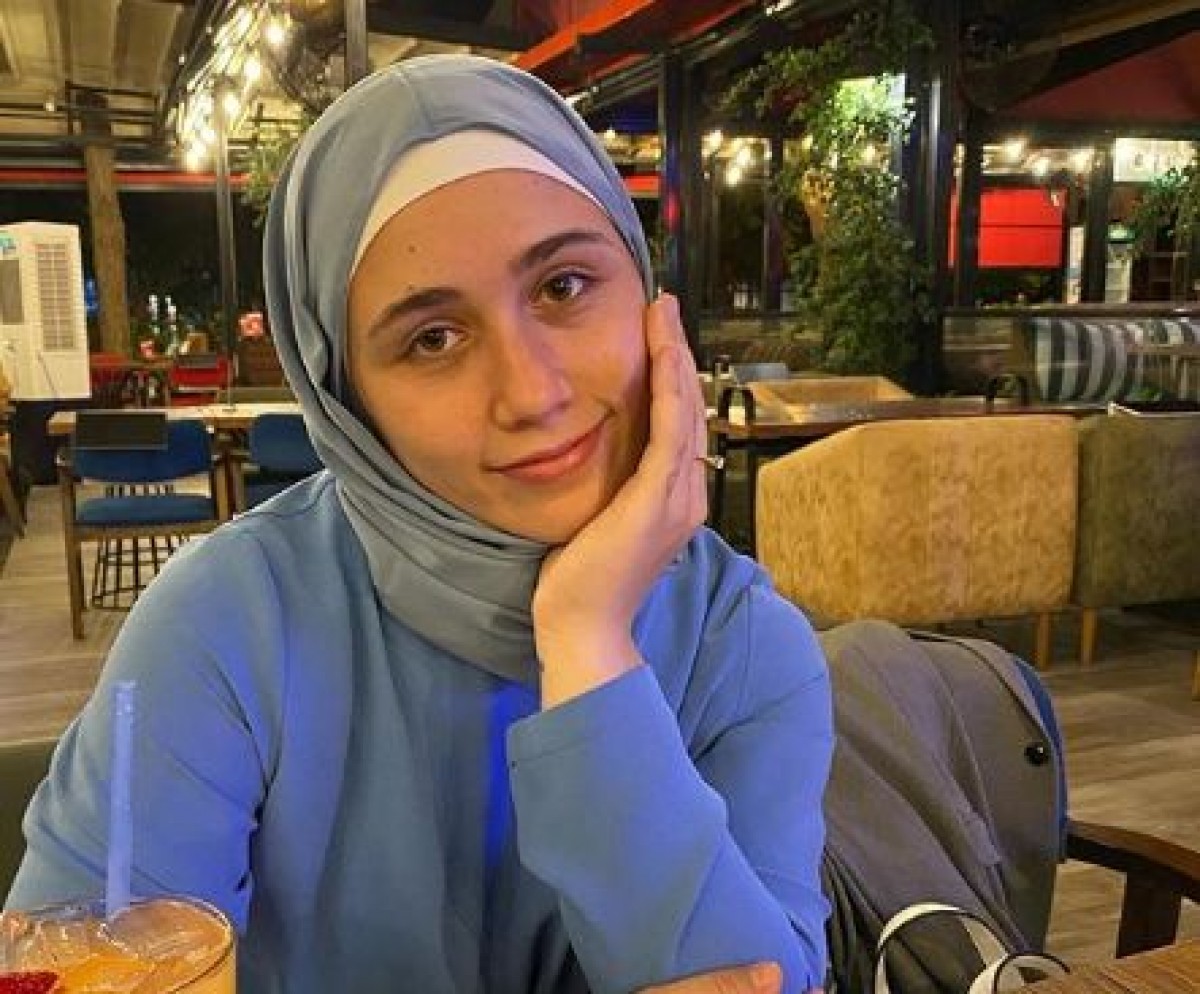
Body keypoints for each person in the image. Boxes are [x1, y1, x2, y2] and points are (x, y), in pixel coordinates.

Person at [7, 55, 832, 994]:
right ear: (348, 403)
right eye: (432, 339)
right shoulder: (227, 623)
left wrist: (588, 643)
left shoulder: (743, 645)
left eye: (564, 286)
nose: (532, 392)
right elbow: (74, 965)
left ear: (650, 302)